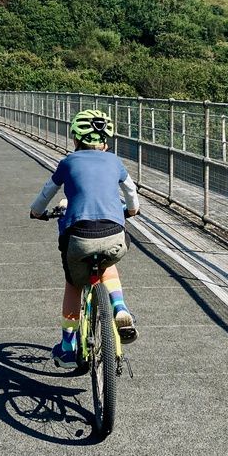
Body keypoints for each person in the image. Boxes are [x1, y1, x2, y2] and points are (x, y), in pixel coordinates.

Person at [29, 108, 140, 368]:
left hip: (79, 238)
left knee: (73, 283)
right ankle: (120, 307)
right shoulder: (115, 162)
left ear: (75, 139)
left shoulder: (68, 162)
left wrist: (36, 212)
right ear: (106, 141)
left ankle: (68, 346)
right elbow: (131, 192)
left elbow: (47, 192)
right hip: (113, 235)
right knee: (108, 264)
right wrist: (132, 210)